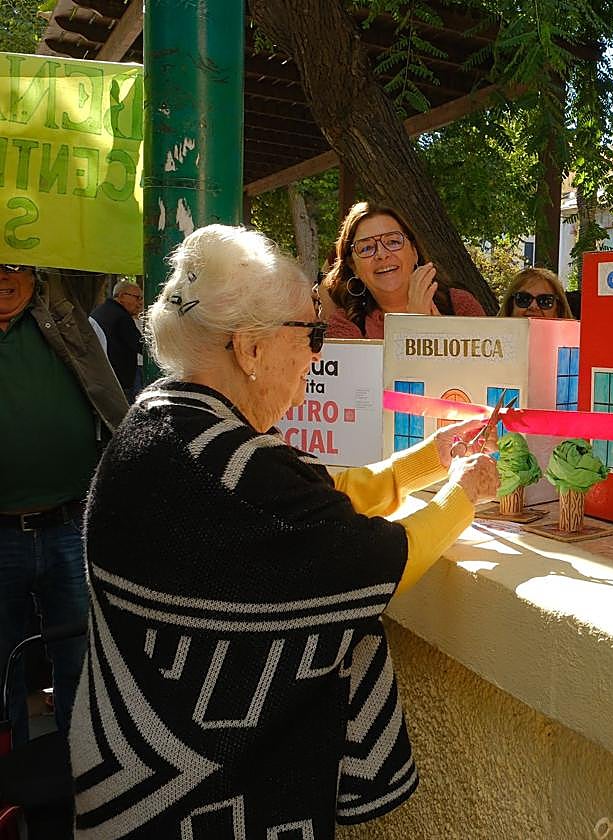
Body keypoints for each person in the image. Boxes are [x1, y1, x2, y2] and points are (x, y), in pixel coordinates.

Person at [71, 225, 500, 838]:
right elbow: (372, 559)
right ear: (249, 349)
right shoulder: (221, 464)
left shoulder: (170, 414)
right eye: (311, 333)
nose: (319, 354)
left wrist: (425, 461)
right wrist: (464, 493)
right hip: (191, 798)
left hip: (128, 772)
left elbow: (311, 506)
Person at [0, 263, 127, 746]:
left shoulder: (62, 318)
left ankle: (81, 767)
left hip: (68, 526)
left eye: (12, 265)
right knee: (2, 662)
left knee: (79, 655)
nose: (3, 277)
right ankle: (13, 774)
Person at [323, 201, 485, 338]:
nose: (382, 254)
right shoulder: (343, 326)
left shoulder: (459, 305)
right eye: (366, 248)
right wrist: (413, 327)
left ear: (414, 252)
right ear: (353, 267)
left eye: (393, 241)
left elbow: (486, 373)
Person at [90, 278, 144, 401]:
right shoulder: (122, 317)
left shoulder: (100, 311)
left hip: (100, 376)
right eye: (137, 298)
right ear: (121, 296)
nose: (140, 303)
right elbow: (141, 346)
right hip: (119, 380)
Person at [498, 266, 574, 319]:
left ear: (558, 310)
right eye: (524, 299)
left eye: (544, 301)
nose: (533, 306)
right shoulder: (489, 337)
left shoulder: (576, 341)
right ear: (510, 306)